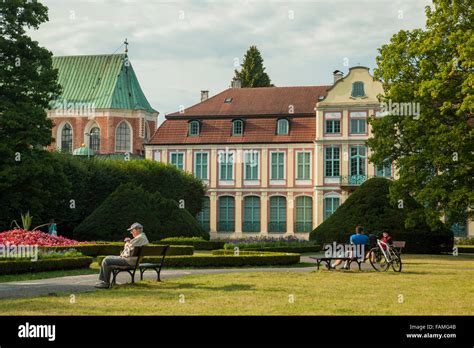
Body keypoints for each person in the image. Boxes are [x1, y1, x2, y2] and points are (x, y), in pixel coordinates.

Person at [95, 222, 149, 289]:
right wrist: (129, 241)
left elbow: (128, 247)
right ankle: (104, 282)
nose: (131, 232)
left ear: (136, 230)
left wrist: (127, 242)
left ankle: (105, 283)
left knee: (106, 260)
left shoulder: (140, 238)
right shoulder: (141, 237)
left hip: (128, 261)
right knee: (107, 258)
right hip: (131, 260)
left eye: (132, 231)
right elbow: (132, 246)